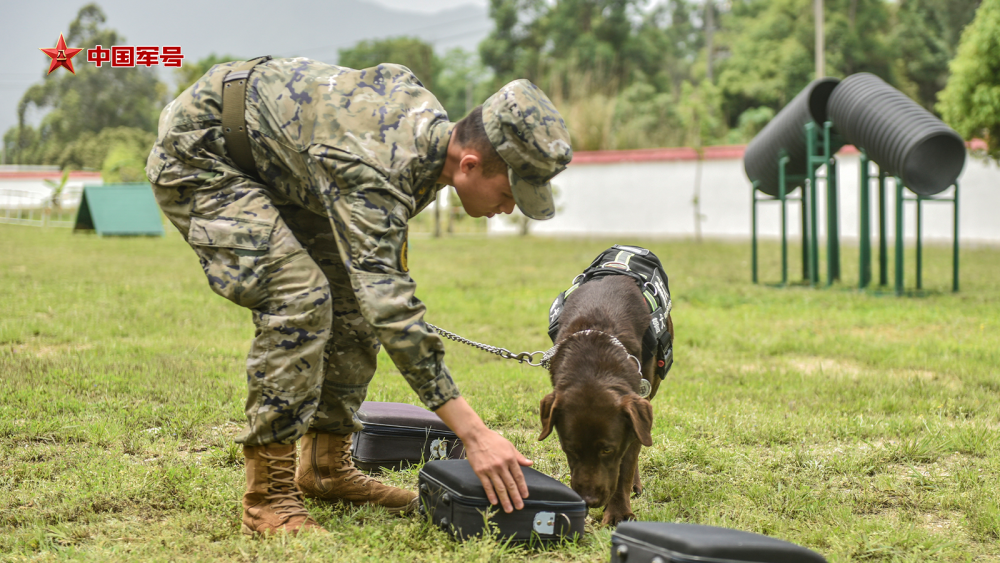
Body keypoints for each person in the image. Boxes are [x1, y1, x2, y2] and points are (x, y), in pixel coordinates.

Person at [145, 56, 573, 536]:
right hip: (204, 155)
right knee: (299, 301)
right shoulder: (377, 163)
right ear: (470, 163)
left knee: (350, 301)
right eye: (511, 191)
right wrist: (474, 434)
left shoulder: (430, 143)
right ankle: (267, 499)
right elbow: (391, 307)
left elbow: (374, 290)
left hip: (286, 165)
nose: (511, 207)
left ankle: (325, 468)